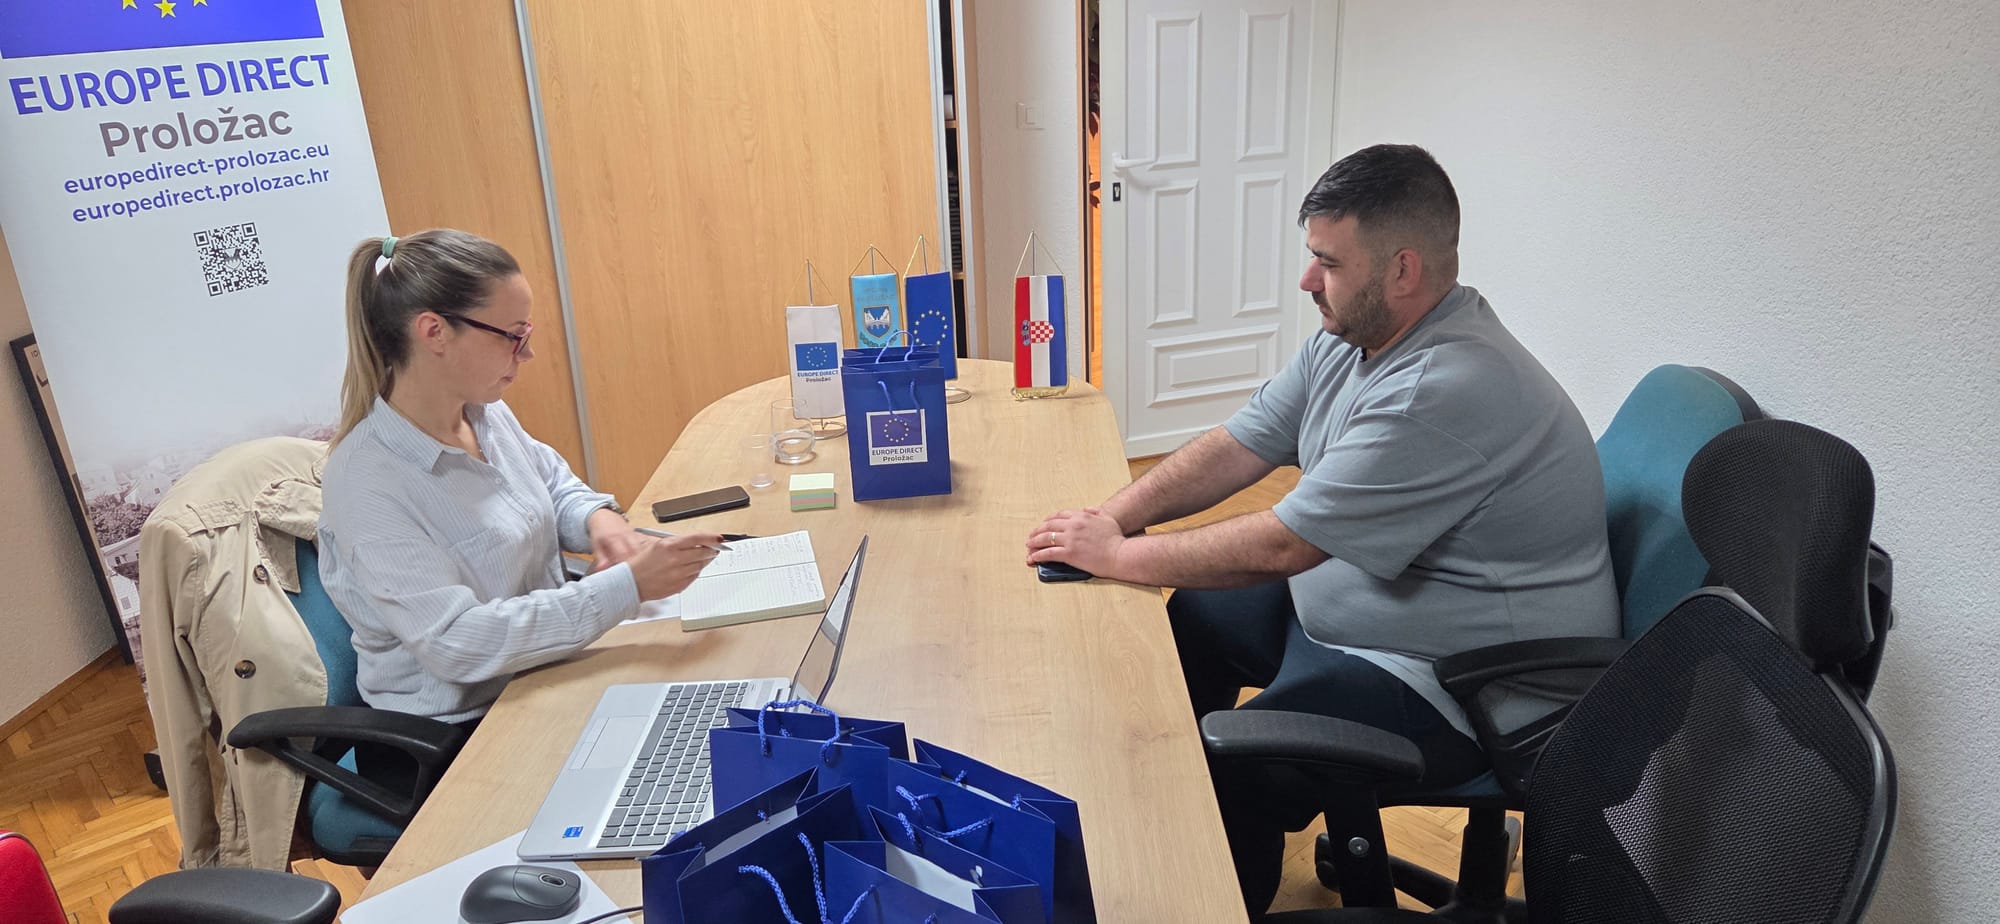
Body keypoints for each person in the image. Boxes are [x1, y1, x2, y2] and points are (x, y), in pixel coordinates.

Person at [1025, 145, 1618, 914]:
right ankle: (1163, 814)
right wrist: (1114, 518)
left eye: (1328, 262)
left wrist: (1117, 555)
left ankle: (1214, 898)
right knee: (1196, 619)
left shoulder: (1443, 388)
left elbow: (1282, 544)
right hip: (1371, 614)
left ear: (1402, 271)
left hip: (1461, 689)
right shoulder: (1355, 339)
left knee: (1237, 764)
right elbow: (1239, 444)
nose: (1307, 280)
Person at [318, 229, 721, 739]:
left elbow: (552, 484)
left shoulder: (483, 413)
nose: (526, 354)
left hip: (545, 670)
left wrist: (599, 520)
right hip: (463, 728)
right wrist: (629, 586)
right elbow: (457, 643)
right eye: (512, 336)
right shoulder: (365, 482)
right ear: (434, 332)